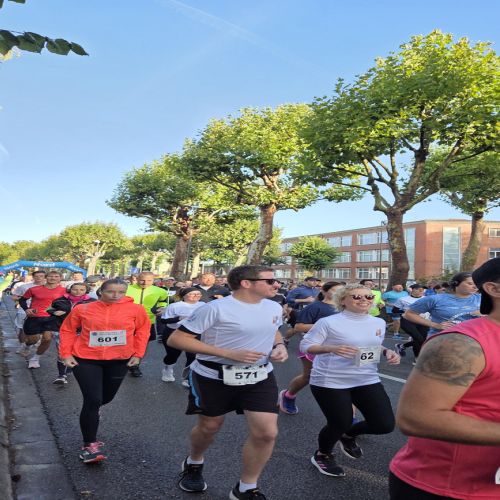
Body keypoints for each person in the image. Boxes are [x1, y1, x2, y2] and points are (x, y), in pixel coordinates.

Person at [168, 265, 288, 499]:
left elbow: (274, 329)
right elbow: (177, 339)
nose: (276, 285)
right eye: (270, 281)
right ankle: (194, 462)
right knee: (210, 427)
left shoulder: (273, 306)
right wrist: (228, 353)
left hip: (259, 375)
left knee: (266, 433)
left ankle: (246, 488)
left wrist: (279, 345)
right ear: (246, 283)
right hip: (213, 376)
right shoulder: (215, 308)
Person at [389, 258, 500, 499]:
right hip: (446, 486)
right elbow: (416, 418)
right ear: (493, 289)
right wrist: (434, 325)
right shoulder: (459, 343)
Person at [300, 283, 400, 477]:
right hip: (331, 380)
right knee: (339, 422)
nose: (364, 300)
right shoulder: (329, 322)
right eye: (356, 296)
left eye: (368, 297)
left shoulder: (378, 322)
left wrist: (387, 352)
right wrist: (331, 348)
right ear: (343, 301)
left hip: (366, 378)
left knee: (384, 424)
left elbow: (373, 346)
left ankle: (348, 435)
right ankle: (323, 454)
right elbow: (306, 345)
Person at [59, 278, 150, 463]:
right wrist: (66, 354)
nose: (116, 296)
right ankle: (89, 445)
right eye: (110, 291)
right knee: (93, 400)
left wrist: (138, 354)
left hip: (119, 359)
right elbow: (68, 330)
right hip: (86, 358)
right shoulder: (83, 309)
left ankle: (94, 412)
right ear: (101, 291)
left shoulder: (136, 309)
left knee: (105, 398)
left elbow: (142, 331)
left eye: (121, 292)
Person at [279, 281, 343, 415]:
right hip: (314, 346)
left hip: (339, 348)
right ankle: (288, 395)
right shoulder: (315, 306)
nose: (339, 293)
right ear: (324, 291)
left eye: (342, 290)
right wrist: (327, 327)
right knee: (308, 376)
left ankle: (348, 417)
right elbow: (299, 327)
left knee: (343, 378)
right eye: (335, 290)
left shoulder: (346, 307)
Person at [403, 271, 481, 337]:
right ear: (456, 283)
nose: (475, 286)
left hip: (473, 340)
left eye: (477, 283)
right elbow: (409, 314)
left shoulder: (483, 299)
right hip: (441, 340)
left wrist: (485, 314)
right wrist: (435, 325)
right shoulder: (435, 299)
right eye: (470, 283)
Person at [47, 282, 96, 384]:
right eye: (75, 289)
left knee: (76, 351)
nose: (78, 292)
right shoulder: (60, 300)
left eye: (82, 290)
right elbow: (48, 309)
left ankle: (69, 368)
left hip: (82, 331)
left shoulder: (92, 302)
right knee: (62, 352)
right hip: (61, 329)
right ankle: (61, 376)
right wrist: (54, 312)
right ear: (70, 290)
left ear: (86, 291)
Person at [19, 271, 66, 369]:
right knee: (33, 339)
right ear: (46, 277)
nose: (53, 278)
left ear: (60, 278)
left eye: (56, 276)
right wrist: (26, 309)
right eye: (50, 276)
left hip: (52, 318)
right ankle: (27, 345)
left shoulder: (65, 291)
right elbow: (22, 300)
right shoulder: (34, 289)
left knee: (47, 339)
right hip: (35, 317)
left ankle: (35, 358)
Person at [126, 271, 168, 376]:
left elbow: (163, 300)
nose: (145, 283)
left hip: (148, 321)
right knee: (125, 343)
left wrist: (162, 307)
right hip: (127, 321)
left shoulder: (160, 291)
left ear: (153, 280)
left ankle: (135, 365)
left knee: (142, 344)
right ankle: (124, 363)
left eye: (149, 280)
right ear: (137, 279)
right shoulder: (127, 288)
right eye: (142, 280)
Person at [160, 287, 205, 386]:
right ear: (184, 296)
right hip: (173, 332)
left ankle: (187, 378)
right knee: (173, 355)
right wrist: (179, 318)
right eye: (192, 294)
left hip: (194, 333)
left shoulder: (203, 305)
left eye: (198, 294)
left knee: (192, 356)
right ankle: (168, 369)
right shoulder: (174, 306)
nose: (196, 296)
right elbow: (163, 320)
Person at [392, 284, 429, 362]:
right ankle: (417, 358)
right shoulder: (403, 299)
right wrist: (407, 311)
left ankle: (402, 346)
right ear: (412, 290)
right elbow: (394, 310)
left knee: (423, 339)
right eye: (419, 289)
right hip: (408, 321)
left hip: (422, 321)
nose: (421, 291)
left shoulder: (427, 299)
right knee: (418, 338)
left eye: (423, 290)